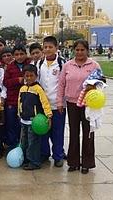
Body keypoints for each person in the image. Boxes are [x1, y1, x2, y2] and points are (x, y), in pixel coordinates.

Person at [57, 39, 101, 174]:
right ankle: (73, 162)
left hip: (88, 104)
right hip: (72, 104)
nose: (80, 52)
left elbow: (101, 83)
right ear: (73, 50)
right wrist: (60, 101)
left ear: (87, 50)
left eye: (82, 50)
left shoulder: (94, 65)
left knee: (88, 133)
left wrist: (94, 87)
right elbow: (61, 84)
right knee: (74, 132)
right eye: (77, 50)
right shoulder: (68, 65)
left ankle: (87, 163)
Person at [37, 36, 66, 167]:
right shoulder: (38, 64)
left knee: (57, 132)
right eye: (45, 47)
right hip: (43, 105)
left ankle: (58, 155)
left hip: (58, 105)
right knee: (43, 131)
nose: (47, 49)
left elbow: (64, 84)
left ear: (56, 48)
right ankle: (44, 153)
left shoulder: (62, 64)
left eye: (50, 47)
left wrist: (61, 102)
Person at [18, 64, 52, 170]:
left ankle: (35, 162)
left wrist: (49, 115)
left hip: (34, 121)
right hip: (24, 120)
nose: (28, 78)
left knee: (33, 143)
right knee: (24, 142)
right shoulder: (22, 88)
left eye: (31, 76)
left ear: (36, 76)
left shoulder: (38, 89)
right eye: (26, 76)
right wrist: (19, 114)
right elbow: (19, 102)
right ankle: (26, 159)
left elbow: (45, 103)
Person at [3, 45, 30, 149]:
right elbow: (5, 82)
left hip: (27, 100)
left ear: (25, 54)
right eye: (17, 54)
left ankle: (24, 145)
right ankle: (12, 145)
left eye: (22, 54)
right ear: (14, 56)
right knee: (11, 124)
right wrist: (17, 80)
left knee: (23, 124)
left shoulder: (30, 64)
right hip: (12, 100)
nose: (19, 57)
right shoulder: (10, 67)